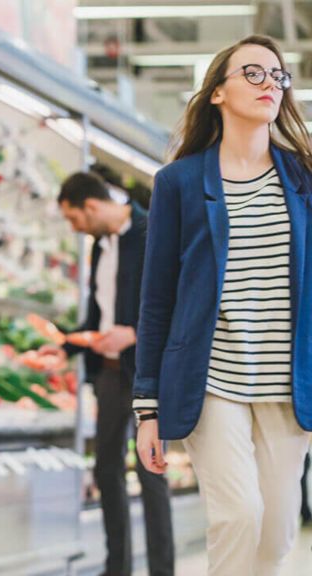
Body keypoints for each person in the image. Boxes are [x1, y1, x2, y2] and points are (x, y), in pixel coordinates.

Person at [134, 35, 312, 576]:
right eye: (252, 74)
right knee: (238, 515)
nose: (269, 85)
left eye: (277, 76)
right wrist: (147, 407)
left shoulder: (304, 179)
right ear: (217, 92)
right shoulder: (179, 183)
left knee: (277, 530)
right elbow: (157, 297)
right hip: (210, 381)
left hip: (288, 383)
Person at [49, 172, 175, 576]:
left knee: (150, 472)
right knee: (107, 468)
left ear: (90, 206)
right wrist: (65, 344)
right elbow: (97, 315)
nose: (75, 228)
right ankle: (116, 568)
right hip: (106, 374)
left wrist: (134, 334)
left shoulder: (153, 230)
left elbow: (170, 304)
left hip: (145, 372)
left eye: (74, 219)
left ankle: (161, 571)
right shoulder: (100, 249)